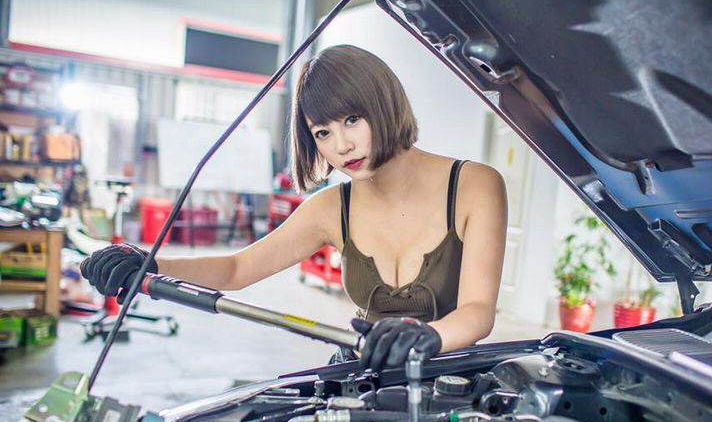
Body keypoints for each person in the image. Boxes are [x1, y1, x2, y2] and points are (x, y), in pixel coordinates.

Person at [80, 45, 508, 371]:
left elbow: (477, 311)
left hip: (452, 382)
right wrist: (150, 264)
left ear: (385, 102)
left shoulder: (475, 186)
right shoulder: (331, 208)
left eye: (352, 120)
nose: (341, 146)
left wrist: (429, 337)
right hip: (363, 377)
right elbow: (236, 269)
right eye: (323, 133)